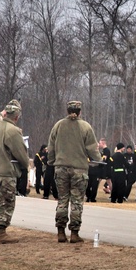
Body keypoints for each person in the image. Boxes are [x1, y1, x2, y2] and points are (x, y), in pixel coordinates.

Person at [47, 101, 102, 243]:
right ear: (80, 111)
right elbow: (92, 149)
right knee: (77, 201)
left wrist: (51, 161)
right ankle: (74, 233)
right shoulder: (85, 127)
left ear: (67, 110)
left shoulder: (58, 125)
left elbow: (51, 146)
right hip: (79, 169)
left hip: (60, 168)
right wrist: (97, 160)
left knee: (62, 200)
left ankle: (60, 231)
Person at [0, 100, 28, 244]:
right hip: (6, 172)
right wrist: (25, 165)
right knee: (5, 202)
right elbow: (21, 154)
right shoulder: (12, 130)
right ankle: (2, 232)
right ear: (16, 116)